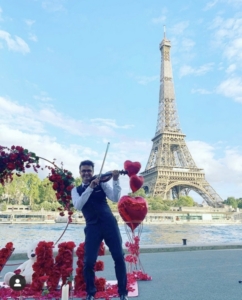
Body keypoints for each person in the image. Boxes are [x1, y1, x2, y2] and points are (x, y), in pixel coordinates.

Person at [71, 160, 128, 300]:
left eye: (89, 170)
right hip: (92, 227)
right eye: (84, 171)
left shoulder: (102, 183)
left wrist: (115, 180)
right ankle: (91, 293)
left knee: (119, 257)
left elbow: (115, 198)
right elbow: (78, 205)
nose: (86, 173)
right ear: (79, 172)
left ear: (92, 171)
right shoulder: (75, 190)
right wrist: (90, 187)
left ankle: (122, 293)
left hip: (109, 224)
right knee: (89, 261)